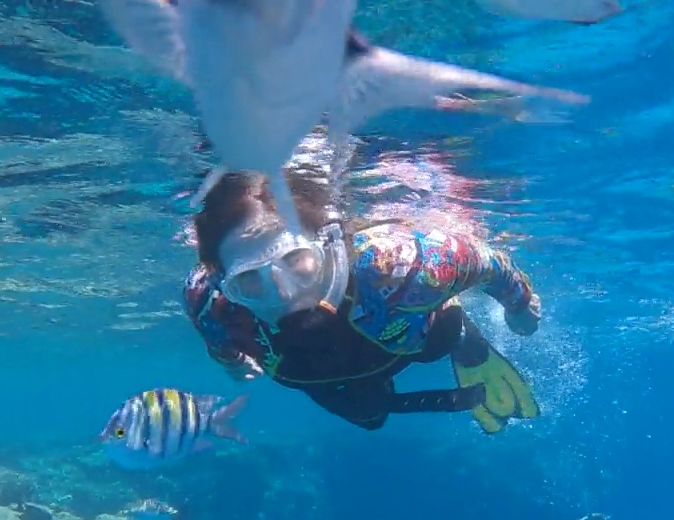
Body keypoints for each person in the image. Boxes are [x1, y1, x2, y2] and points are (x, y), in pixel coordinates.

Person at [181, 165, 543, 433]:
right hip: (324, 372)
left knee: (442, 335)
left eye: (296, 260)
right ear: (226, 284)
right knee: (367, 416)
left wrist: (520, 305)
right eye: (249, 281)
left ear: (329, 243)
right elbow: (215, 335)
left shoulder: (404, 266)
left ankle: (465, 339)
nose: (285, 294)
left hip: (413, 333)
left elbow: (488, 262)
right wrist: (230, 360)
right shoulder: (213, 303)